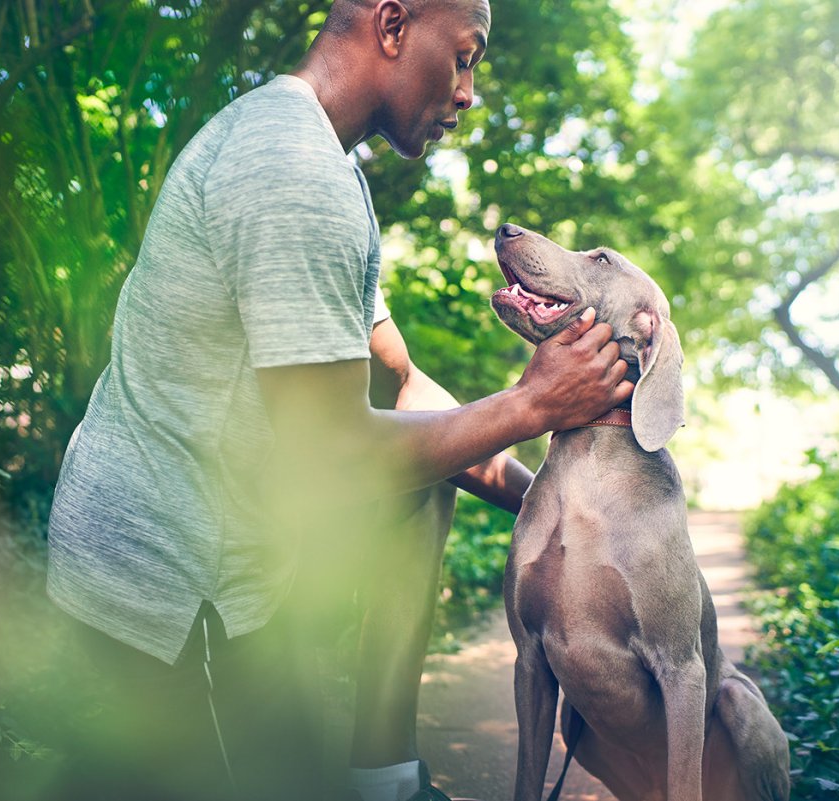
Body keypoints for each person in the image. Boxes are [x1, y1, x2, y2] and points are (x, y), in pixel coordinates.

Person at [45, 0, 633, 799]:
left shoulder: (318, 162)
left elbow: (406, 382)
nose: (468, 91)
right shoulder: (294, 173)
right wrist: (534, 403)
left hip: (233, 555)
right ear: (392, 26)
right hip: (163, 584)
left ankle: (381, 775)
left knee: (426, 469)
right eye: (464, 56)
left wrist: (561, 508)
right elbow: (328, 457)